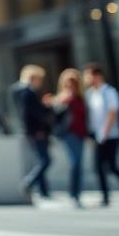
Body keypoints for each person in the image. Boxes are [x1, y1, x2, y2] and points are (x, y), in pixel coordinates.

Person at [83, 63, 119, 206]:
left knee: (112, 166)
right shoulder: (91, 94)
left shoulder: (109, 92)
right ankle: (106, 196)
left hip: (111, 135)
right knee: (100, 167)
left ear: (97, 75)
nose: (86, 79)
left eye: (88, 75)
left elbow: (113, 112)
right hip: (97, 135)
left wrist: (105, 132)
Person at [11, 64, 54, 200]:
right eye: (39, 79)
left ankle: (43, 190)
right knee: (45, 160)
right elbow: (28, 114)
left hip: (35, 131)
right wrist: (37, 130)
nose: (41, 82)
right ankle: (29, 182)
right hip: (37, 131)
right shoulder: (27, 92)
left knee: (41, 160)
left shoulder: (27, 92)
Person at [52, 68, 88, 207]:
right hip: (70, 134)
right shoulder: (63, 97)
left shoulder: (81, 97)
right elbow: (56, 114)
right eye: (68, 82)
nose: (71, 85)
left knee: (79, 164)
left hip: (81, 133)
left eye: (73, 82)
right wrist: (61, 101)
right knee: (75, 163)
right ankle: (74, 194)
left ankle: (77, 193)